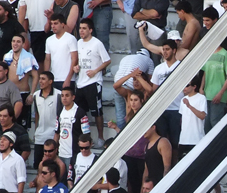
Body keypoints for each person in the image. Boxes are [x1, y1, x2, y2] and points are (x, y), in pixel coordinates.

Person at [74, 18, 110, 147]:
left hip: (93, 83)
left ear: (90, 30)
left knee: (97, 111)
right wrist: (76, 67)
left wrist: (95, 71)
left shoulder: (97, 43)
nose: (81, 31)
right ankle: (84, 139)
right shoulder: (78, 43)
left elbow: (107, 60)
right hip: (80, 83)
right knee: (80, 113)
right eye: (80, 28)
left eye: (84, 28)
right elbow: (78, 61)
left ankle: (101, 137)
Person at [151, 40, 184, 155]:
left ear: (174, 51)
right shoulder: (158, 68)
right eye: (163, 49)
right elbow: (154, 89)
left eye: (167, 49)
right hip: (161, 109)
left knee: (175, 141)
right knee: (162, 139)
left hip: (177, 108)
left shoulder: (182, 66)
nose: (165, 52)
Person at [112, 49, 154, 129]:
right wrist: (130, 75)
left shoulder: (145, 94)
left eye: (138, 80)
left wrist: (138, 77)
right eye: (134, 80)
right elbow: (115, 86)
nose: (135, 82)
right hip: (129, 127)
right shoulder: (129, 93)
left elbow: (150, 90)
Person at [4, 34, 39, 131]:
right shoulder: (7, 57)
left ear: (23, 44)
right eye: (13, 41)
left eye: (18, 42)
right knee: (9, 122)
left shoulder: (29, 58)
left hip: (23, 94)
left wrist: (32, 94)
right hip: (9, 94)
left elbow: (36, 76)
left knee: (22, 126)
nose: (15, 43)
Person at [201, 38, 227, 133]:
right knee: (206, 124)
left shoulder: (225, 54)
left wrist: (220, 93)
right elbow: (205, 72)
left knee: (215, 122)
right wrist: (201, 88)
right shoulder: (208, 54)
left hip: (219, 94)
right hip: (207, 93)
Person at [54, 87, 91, 161]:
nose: (64, 98)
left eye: (67, 95)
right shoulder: (60, 111)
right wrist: (54, 149)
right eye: (62, 96)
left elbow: (86, 134)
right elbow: (57, 133)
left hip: (74, 154)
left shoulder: (80, 112)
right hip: (61, 153)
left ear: (73, 97)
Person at [33, 72, 60, 168]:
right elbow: (37, 114)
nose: (40, 81)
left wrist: (57, 136)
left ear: (50, 81)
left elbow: (60, 116)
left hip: (52, 135)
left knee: (52, 167)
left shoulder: (58, 95)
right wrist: (36, 131)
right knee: (38, 166)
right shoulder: (36, 95)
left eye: (43, 79)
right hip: (39, 136)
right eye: (40, 78)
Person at [44, 14, 78, 90]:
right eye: (51, 24)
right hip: (53, 79)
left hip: (67, 79)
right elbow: (47, 59)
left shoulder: (70, 38)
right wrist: (46, 78)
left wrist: (68, 79)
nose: (53, 26)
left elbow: (75, 59)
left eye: (56, 23)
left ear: (62, 24)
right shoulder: (49, 40)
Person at [179, 73, 207, 157]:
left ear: (194, 87)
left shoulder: (201, 98)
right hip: (183, 140)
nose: (184, 88)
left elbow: (202, 116)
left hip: (196, 139)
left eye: (187, 85)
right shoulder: (183, 99)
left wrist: (189, 106)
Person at [18, 0, 52, 65]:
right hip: (34, 29)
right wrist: (20, 32)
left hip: (52, 28)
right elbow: (23, 8)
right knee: (38, 61)